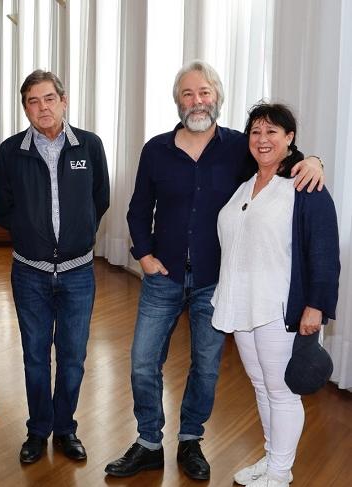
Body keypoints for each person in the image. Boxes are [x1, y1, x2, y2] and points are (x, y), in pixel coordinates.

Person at [105, 60, 324, 480]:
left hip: (215, 282)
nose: (197, 100)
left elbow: (280, 158)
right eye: (187, 93)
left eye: (204, 92)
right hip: (162, 277)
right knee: (142, 361)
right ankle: (149, 442)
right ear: (177, 101)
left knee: (205, 367)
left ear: (217, 97)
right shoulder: (156, 149)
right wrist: (144, 255)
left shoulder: (240, 147)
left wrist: (314, 159)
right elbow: (137, 209)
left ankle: (191, 440)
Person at [211, 103, 339, 487]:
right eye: (256, 132)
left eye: (272, 132)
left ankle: (280, 474)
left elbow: (324, 250)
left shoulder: (304, 186)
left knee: (282, 392)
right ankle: (271, 462)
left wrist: (315, 306)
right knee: (262, 387)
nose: (262, 140)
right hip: (243, 303)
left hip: (280, 308)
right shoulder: (245, 183)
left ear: (289, 138)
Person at [0, 70, 110, 464]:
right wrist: (32, 234)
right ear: (24, 107)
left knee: (74, 357)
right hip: (29, 272)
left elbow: (101, 198)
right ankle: (37, 430)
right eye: (32, 101)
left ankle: (65, 429)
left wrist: (78, 233)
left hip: (78, 273)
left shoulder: (89, 146)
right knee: (34, 356)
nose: (41, 108)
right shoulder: (11, 151)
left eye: (48, 99)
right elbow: (5, 209)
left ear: (64, 100)